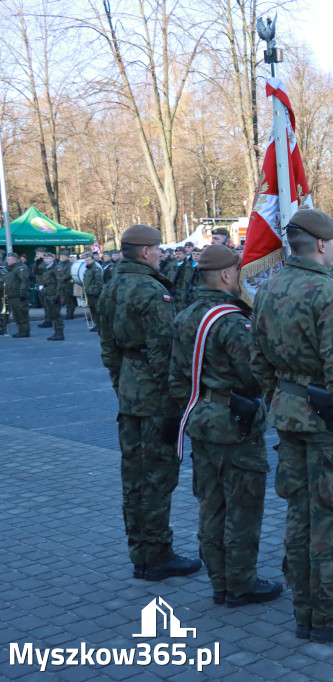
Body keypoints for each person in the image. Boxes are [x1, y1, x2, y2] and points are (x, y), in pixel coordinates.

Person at [250, 208, 333, 641]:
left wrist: (282, 398)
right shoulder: (329, 293)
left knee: (298, 516)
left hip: (289, 415)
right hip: (325, 421)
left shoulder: (268, 286)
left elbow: (258, 361)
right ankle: (326, 614)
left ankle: (305, 609)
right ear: (324, 244)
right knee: (327, 518)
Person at [167, 244, 282, 607]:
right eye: (239, 269)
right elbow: (253, 376)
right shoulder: (233, 321)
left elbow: (176, 377)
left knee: (211, 505)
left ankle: (220, 580)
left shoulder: (187, 315)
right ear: (226, 275)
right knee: (243, 506)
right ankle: (241, 582)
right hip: (235, 425)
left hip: (201, 419)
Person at [98, 224, 203, 582]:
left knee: (134, 479)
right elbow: (165, 356)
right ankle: (157, 554)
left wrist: (122, 383)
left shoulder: (111, 284)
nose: (161, 254)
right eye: (158, 249)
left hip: (130, 391)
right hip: (156, 399)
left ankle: (141, 553)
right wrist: (178, 403)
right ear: (145, 252)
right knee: (158, 477)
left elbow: (109, 349)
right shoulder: (151, 290)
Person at [4, 252, 31, 337]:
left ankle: (25, 331)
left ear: (16, 260)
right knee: (16, 314)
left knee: (22, 314)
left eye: (9, 259)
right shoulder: (9, 269)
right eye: (7, 259)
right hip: (11, 295)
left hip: (19, 296)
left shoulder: (20, 268)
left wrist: (23, 293)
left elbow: (24, 280)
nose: (7, 261)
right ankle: (21, 330)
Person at [38, 252, 65, 341]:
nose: (46, 260)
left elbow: (60, 282)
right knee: (51, 314)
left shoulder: (57, 268)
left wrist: (58, 295)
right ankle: (56, 332)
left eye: (48, 258)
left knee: (56, 314)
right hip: (48, 294)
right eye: (45, 258)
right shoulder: (46, 268)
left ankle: (60, 333)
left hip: (54, 294)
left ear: (53, 258)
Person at [82, 253, 104, 332]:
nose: (87, 262)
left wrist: (96, 291)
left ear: (93, 260)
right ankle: (97, 324)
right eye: (86, 260)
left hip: (94, 293)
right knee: (92, 310)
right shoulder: (87, 269)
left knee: (97, 310)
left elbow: (99, 281)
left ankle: (101, 325)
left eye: (88, 260)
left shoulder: (96, 269)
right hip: (89, 292)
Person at [57, 250, 76, 320]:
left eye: (63, 256)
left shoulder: (69, 264)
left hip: (68, 284)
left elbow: (68, 275)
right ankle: (68, 312)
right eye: (61, 256)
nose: (62, 258)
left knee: (69, 299)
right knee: (64, 299)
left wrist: (60, 278)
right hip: (62, 285)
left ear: (67, 257)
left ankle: (70, 313)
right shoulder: (61, 264)